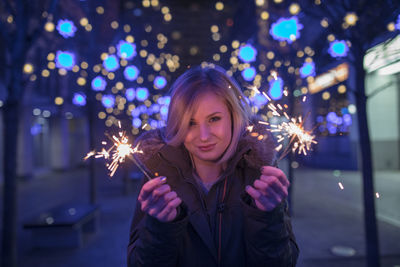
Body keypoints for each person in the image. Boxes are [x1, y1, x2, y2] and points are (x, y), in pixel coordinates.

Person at [127, 64, 299, 267]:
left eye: (214, 119)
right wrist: (159, 228)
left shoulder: (260, 175)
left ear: (234, 116)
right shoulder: (160, 177)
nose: (204, 136)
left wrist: (269, 218)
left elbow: (282, 263)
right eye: (190, 123)